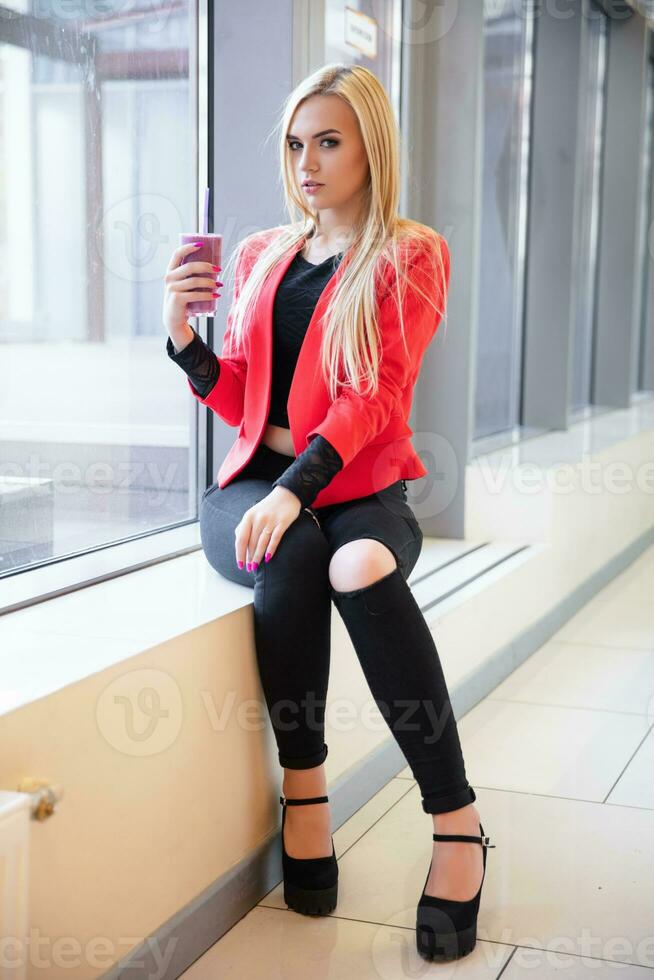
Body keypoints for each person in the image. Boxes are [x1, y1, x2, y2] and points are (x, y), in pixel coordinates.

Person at [162, 62, 494, 961]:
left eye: (330, 141)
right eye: (296, 143)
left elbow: (374, 398)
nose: (307, 161)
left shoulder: (411, 253)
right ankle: (304, 795)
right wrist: (186, 341)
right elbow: (242, 400)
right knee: (294, 555)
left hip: (359, 489)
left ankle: (456, 823)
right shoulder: (264, 253)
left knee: (353, 560)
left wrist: (292, 492)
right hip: (251, 486)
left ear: (370, 146)